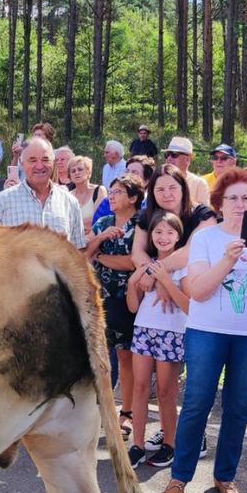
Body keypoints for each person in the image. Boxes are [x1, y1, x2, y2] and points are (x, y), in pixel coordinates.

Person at [163, 168, 247, 493]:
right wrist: (227, 262)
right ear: (220, 202)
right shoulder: (205, 238)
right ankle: (179, 475)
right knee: (198, 402)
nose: (240, 204)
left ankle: (225, 476)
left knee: (238, 406)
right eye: (233, 198)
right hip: (207, 331)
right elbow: (198, 292)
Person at [85, 174, 145, 463]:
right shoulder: (103, 223)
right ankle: (100, 411)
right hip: (101, 299)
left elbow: (133, 262)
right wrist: (101, 239)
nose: (112, 196)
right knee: (100, 357)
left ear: (133, 197)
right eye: (112, 191)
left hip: (129, 301)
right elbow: (85, 254)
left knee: (126, 358)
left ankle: (128, 413)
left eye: (119, 192)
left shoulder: (141, 226)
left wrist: (104, 259)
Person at [125, 209, 189, 469]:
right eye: (158, 232)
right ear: (150, 236)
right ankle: (137, 445)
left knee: (166, 391)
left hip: (172, 332)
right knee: (140, 387)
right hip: (143, 330)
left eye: (170, 232)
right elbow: (132, 307)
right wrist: (132, 284)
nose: (163, 237)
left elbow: (188, 306)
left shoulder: (184, 267)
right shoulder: (145, 264)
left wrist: (165, 279)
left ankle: (169, 444)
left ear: (178, 237)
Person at [0, 137, 85, 248]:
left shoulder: (70, 203)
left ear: (53, 162)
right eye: (33, 160)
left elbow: (79, 251)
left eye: (45, 159)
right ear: (22, 163)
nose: (40, 166)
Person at [131, 164, 218, 273]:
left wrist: (153, 274)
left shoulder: (204, 216)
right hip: (152, 283)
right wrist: (152, 275)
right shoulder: (145, 216)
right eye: (160, 189)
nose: (167, 194)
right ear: (152, 193)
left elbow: (188, 253)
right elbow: (137, 253)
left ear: (183, 188)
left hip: (191, 281)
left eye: (172, 188)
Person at [162, 136, 211, 206]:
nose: (169, 158)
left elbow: (204, 214)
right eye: (167, 155)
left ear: (187, 159)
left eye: (174, 155)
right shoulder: (159, 180)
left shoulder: (199, 184)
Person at [68, 155, 106, 233]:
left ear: (88, 171)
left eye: (80, 169)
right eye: (73, 171)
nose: (76, 173)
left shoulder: (99, 190)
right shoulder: (68, 195)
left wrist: (73, 224)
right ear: (70, 176)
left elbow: (98, 220)